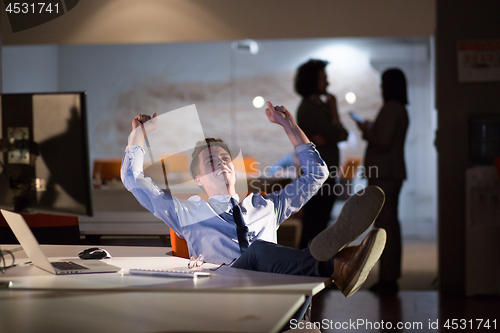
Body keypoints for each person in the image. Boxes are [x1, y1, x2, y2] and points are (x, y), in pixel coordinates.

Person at [121, 101, 386, 297]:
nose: (222, 163)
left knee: (267, 258)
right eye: (211, 161)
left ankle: (339, 261)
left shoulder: (266, 205)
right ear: (198, 180)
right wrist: (139, 135)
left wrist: (289, 126)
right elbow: (133, 179)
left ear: (234, 169)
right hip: (223, 293)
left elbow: (317, 175)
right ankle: (336, 264)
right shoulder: (186, 212)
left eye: (226, 159)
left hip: (277, 293)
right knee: (258, 250)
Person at [354, 68, 409, 294]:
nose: (381, 88)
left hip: (384, 176)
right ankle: (390, 276)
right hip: (391, 174)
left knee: (385, 228)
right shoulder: (401, 110)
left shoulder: (391, 108)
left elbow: (383, 141)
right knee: (390, 226)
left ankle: (388, 279)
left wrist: (367, 130)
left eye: (384, 84)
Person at [295, 59, 349, 250]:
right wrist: (334, 113)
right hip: (317, 176)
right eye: (323, 78)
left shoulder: (319, 106)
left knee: (320, 225)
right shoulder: (309, 108)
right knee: (314, 226)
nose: (327, 83)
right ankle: (306, 270)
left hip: (326, 174)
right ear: (312, 81)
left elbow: (342, 135)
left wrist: (331, 133)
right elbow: (336, 133)